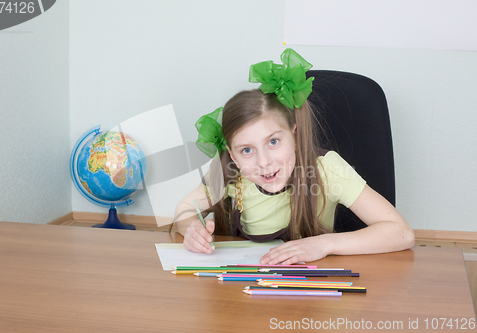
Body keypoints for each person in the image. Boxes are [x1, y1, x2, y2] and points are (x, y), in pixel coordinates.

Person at [173, 48, 415, 264]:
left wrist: (325, 244)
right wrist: (191, 227)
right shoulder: (229, 171)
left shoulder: (327, 169)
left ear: (295, 137)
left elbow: (401, 232)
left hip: (312, 289)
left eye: (274, 141)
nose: (264, 162)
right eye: (247, 150)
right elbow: (184, 209)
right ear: (233, 156)